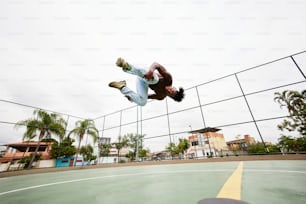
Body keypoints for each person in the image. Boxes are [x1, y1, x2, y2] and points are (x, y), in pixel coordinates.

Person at [109, 58, 185, 106]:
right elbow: (156, 64)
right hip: (146, 73)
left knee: (143, 102)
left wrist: (133, 98)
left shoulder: (161, 96)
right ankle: (127, 66)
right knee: (155, 80)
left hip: (142, 82)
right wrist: (151, 71)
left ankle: (122, 87)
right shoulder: (168, 78)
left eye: (170, 94)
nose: (169, 91)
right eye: (172, 91)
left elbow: (146, 97)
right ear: (174, 88)